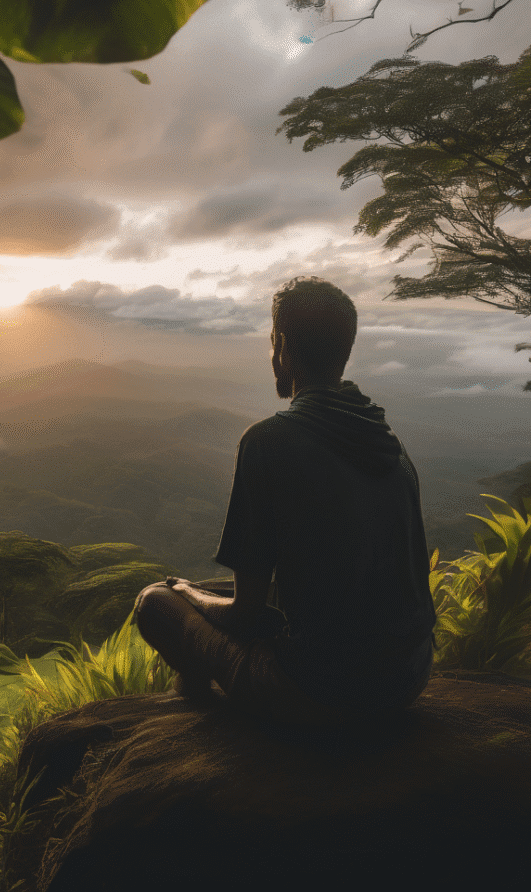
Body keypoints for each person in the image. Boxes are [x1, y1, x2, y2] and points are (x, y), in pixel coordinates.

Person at [135, 276, 436, 726]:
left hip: (317, 690)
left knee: (156, 600)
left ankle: (210, 722)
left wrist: (189, 595)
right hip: (407, 678)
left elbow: (245, 612)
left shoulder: (267, 441)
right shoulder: (388, 441)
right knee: (213, 593)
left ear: (282, 346)